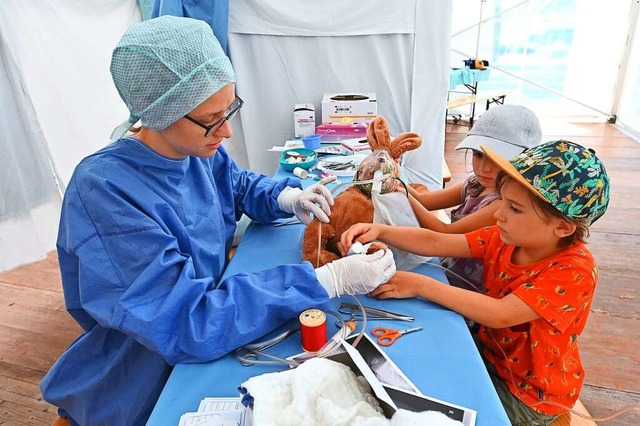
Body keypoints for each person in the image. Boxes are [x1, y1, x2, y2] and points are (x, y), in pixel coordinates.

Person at [40, 16, 395, 426]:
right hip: (140, 378)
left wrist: (284, 197)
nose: (226, 130)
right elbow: (188, 321)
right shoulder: (106, 193)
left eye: (230, 109)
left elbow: (235, 183)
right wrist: (323, 281)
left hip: (204, 326)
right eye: (212, 119)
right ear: (160, 112)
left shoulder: (193, 147)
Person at [341, 140, 610, 425]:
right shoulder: (506, 237)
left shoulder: (574, 271)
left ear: (563, 227)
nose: (498, 214)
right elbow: (437, 241)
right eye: (502, 201)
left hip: (530, 395)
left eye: (515, 209)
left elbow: (500, 313)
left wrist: (422, 285)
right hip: (492, 356)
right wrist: (382, 230)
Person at [407, 105, 542, 291]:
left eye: (496, 159)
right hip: (449, 266)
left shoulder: (502, 205)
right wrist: (394, 180)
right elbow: (425, 202)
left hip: (470, 287)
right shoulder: (475, 184)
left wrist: (401, 193)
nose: (484, 168)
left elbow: (445, 233)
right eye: (478, 155)